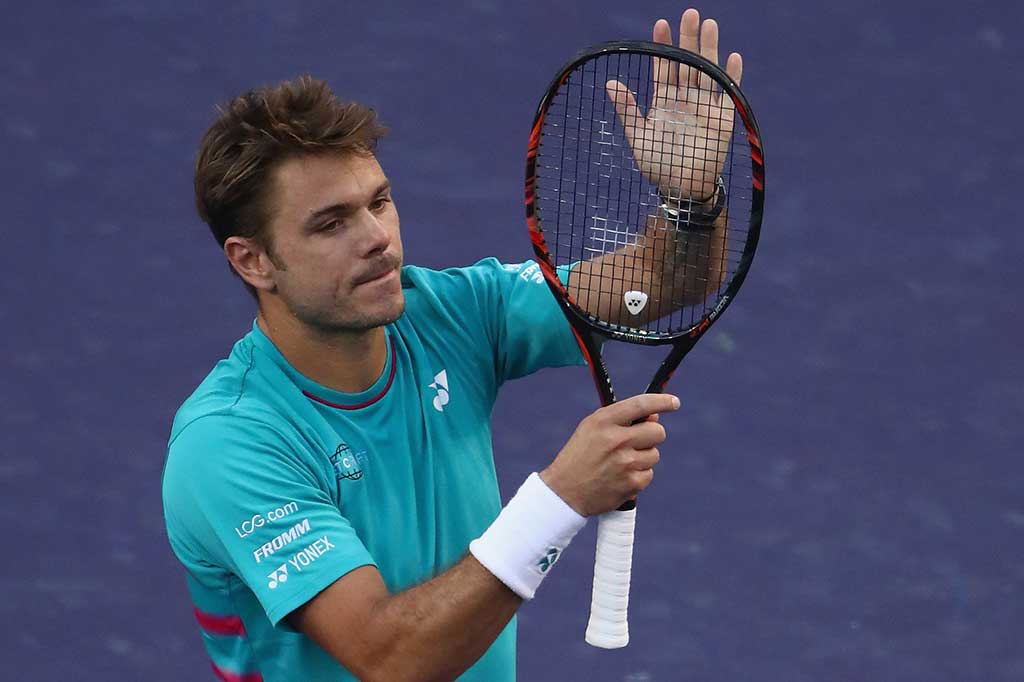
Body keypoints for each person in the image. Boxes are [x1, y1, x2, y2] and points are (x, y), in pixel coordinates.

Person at [162, 8, 742, 681]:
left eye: (379, 202)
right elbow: (390, 659)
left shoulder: (455, 313)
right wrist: (560, 498)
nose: (377, 236)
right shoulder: (231, 443)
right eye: (330, 224)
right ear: (253, 261)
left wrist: (692, 202)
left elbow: (663, 280)